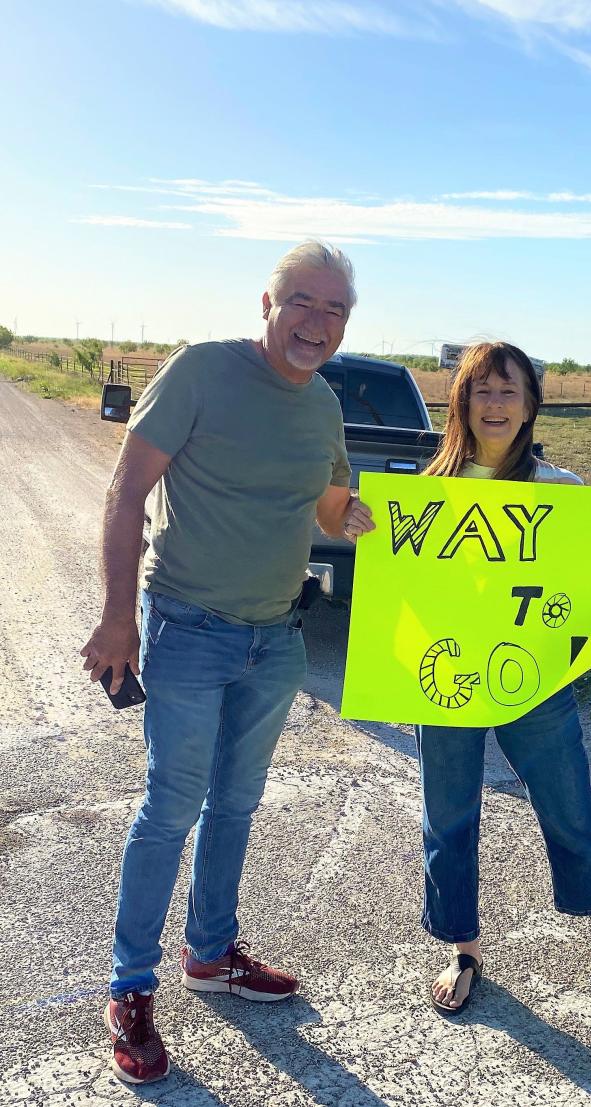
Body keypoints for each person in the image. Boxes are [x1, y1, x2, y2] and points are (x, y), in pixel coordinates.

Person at [79, 240, 374, 1083]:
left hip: (276, 639)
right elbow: (126, 491)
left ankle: (211, 953)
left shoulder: (321, 404)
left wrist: (361, 517)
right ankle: (129, 989)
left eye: (336, 310)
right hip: (188, 628)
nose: (318, 323)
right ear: (268, 303)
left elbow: (326, 502)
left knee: (236, 805)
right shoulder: (201, 372)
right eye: (304, 302)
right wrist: (114, 618)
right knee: (170, 807)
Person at [412, 341, 591, 1014]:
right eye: (483, 390)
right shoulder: (429, 491)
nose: (495, 404)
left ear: (530, 405)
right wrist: (363, 526)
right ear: (462, 402)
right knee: (448, 815)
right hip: (451, 675)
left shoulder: (561, 491)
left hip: (532, 675)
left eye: (509, 391)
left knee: (568, 802)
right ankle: (463, 947)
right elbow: (405, 589)